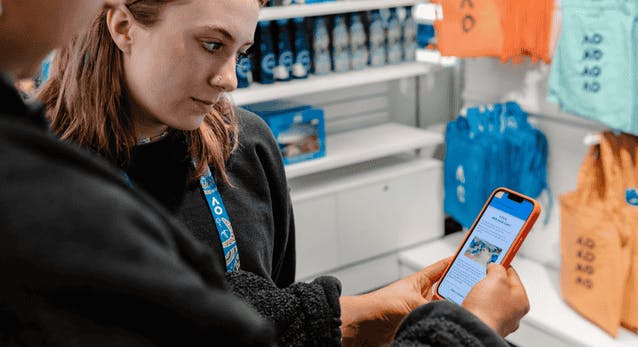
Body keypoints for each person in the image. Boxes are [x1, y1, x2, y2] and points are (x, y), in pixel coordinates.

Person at [1, 0, 529, 346]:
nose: (229, 78)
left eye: (241, 51)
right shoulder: (40, 186)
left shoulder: (246, 143)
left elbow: (268, 313)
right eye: (211, 44)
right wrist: (470, 330)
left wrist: (376, 311)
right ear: (121, 26)